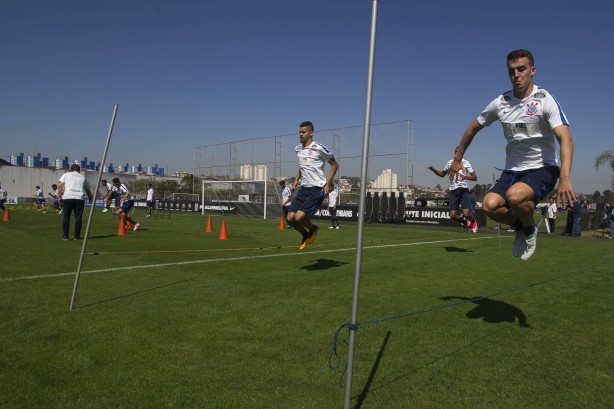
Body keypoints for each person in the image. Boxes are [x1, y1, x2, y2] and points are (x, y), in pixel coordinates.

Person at [449, 49, 575, 261]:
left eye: (521, 69)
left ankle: (528, 229)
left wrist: (564, 177)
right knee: (489, 206)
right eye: (511, 71)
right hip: (512, 171)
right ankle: (523, 228)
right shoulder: (501, 102)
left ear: (532, 71)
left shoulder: (545, 100)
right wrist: (458, 157)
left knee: (515, 196)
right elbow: (473, 127)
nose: (516, 74)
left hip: (542, 168)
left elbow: (566, 139)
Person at [287, 121, 338, 250]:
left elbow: (335, 165)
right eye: (299, 132)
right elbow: (302, 166)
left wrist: (328, 183)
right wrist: (296, 180)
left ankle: (313, 228)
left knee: (299, 217)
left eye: (303, 132)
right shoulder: (298, 149)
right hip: (304, 188)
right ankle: (305, 234)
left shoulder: (318, 148)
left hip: (316, 189)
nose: (301, 134)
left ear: (311, 133)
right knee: (289, 218)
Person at [428, 158, 478, 233]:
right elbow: (442, 174)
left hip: (463, 190)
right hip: (454, 191)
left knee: (466, 214)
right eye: (455, 152)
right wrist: (433, 170)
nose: (457, 154)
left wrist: (465, 177)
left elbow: (475, 177)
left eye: (458, 152)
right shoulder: (450, 162)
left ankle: (473, 221)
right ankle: (465, 223)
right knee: (452, 215)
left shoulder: (465, 162)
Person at [58, 164, 93, 240]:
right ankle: (76, 236)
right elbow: (87, 189)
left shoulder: (66, 175)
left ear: (71, 169)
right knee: (78, 218)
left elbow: (60, 185)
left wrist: (59, 195)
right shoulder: (82, 177)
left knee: (66, 217)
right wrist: (90, 197)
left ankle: (65, 236)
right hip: (79, 198)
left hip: (68, 197)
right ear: (79, 170)